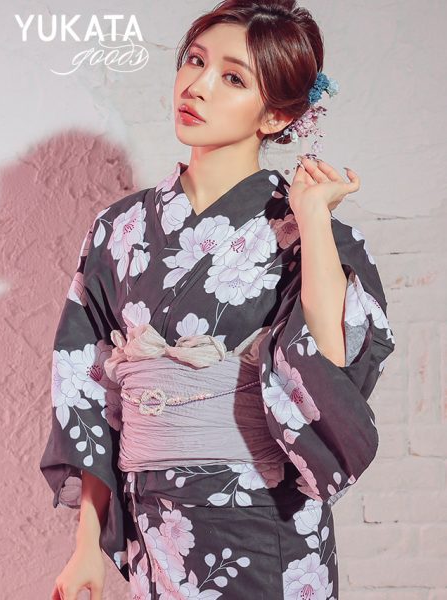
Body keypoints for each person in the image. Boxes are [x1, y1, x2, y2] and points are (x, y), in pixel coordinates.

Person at [40, 1, 396, 599]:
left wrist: (312, 217)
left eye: (232, 78)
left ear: (277, 114)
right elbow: (88, 387)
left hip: (269, 523)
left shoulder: (306, 233)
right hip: (157, 527)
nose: (197, 85)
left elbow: (329, 364)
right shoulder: (117, 229)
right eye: (195, 61)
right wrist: (85, 548)